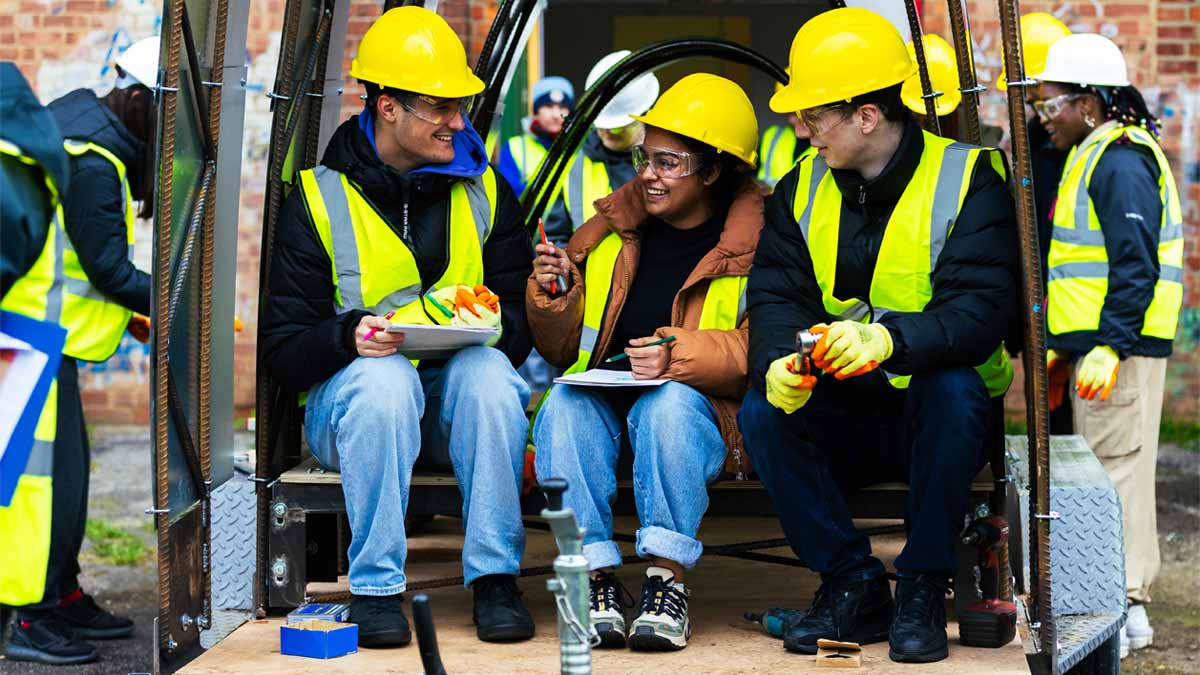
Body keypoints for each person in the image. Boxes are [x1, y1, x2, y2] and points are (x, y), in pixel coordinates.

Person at [737, 8, 1018, 663]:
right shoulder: (797, 190)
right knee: (765, 409)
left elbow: (980, 312)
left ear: (867, 114)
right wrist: (778, 363)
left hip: (932, 420)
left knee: (953, 387)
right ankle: (854, 585)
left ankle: (921, 583)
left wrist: (890, 340)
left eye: (813, 115)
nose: (798, 128)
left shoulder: (970, 178)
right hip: (844, 412)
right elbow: (776, 297)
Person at [259, 7, 535, 647]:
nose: (457, 123)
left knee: (488, 374)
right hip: (354, 417)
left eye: (459, 106)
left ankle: (495, 578)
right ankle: (376, 588)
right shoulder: (317, 199)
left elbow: (520, 326)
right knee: (382, 383)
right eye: (439, 108)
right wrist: (345, 336)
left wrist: (492, 326)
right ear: (386, 106)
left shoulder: (486, 191)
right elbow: (282, 349)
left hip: (450, 416)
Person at [527, 73, 761, 652]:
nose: (648, 174)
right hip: (609, 399)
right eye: (644, 157)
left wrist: (675, 354)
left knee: (668, 405)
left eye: (669, 162)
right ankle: (595, 583)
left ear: (713, 170)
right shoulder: (613, 228)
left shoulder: (760, 242)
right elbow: (563, 350)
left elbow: (767, 348)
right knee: (563, 405)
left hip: (702, 412)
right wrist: (554, 299)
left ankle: (666, 583)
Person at [3, 36, 158, 664]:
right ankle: (31, 618)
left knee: (62, 481)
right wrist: (181, 302)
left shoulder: (84, 133)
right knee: (41, 488)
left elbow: (72, 264)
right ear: (141, 98)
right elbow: (107, 270)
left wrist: (130, 322)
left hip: (42, 339)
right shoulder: (93, 158)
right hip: (31, 341)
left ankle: (59, 594)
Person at [1032, 33, 1183, 660]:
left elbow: (1135, 263)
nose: (1045, 120)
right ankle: (1126, 611)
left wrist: (1109, 345)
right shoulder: (1099, 153)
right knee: (1110, 472)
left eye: (1050, 105)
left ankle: (1121, 610)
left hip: (1117, 352)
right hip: (1099, 351)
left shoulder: (1118, 159)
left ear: (1088, 103)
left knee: (1115, 476)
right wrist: (1068, 347)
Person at [0, 61, 82, 665]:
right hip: (23, 352)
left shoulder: (9, 173)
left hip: (16, 356)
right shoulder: (23, 165)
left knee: (21, 497)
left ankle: (20, 617)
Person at [548, 50, 659, 246]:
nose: (607, 133)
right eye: (602, 125)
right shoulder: (572, 165)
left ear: (642, 114)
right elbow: (556, 236)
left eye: (616, 127)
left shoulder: (668, 164)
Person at [497, 75, 574, 197]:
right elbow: (510, 199)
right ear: (536, 112)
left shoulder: (582, 146)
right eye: (548, 106)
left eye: (562, 107)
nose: (555, 114)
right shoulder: (514, 148)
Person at [757, 70, 811, 189]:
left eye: (796, 111)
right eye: (787, 111)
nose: (792, 119)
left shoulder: (831, 145)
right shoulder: (773, 136)